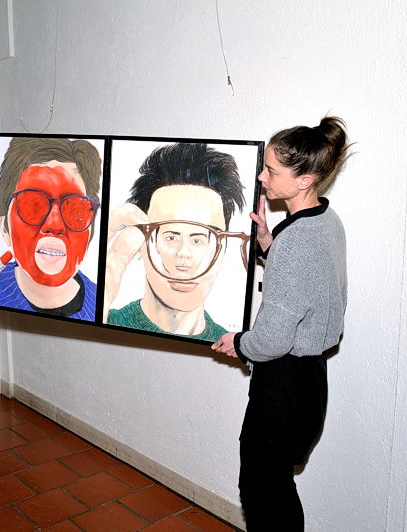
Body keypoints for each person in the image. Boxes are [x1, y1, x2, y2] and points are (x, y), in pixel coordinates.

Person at [211, 117, 349, 530]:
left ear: (304, 180)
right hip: (310, 381)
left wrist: (239, 342)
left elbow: (271, 340)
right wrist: (269, 245)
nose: (261, 177)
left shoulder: (297, 241)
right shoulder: (326, 220)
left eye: (271, 171)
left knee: (262, 491)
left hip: (283, 385)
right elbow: (314, 284)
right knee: (276, 486)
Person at [105, 143, 247, 341]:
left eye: (199, 239)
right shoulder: (104, 319)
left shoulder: (230, 345)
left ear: (223, 248)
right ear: (140, 241)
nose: (183, 255)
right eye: (170, 237)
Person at [0, 137, 102, 320]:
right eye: (32, 205)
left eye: (75, 209)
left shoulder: (102, 307)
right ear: (4, 229)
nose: (54, 225)